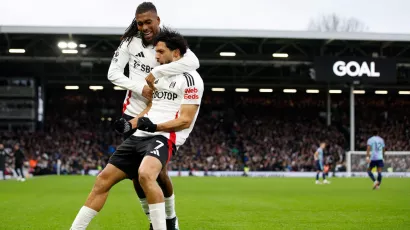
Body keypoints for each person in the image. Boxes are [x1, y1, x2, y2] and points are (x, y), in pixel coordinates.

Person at [71, 27, 203, 230]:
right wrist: (130, 123)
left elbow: (185, 120)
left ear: (176, 53)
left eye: (160, 52)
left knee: (145, 174)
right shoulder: (158, 77)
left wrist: (156, 126)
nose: (155, 56)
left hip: (166, 136)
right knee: (102, 180)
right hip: (142, 133)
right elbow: (152, 107)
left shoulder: (191, 79)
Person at [108, 2, 200, 229]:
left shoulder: (167, 42)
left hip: (160, 111)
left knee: (157, 173)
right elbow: (113, 73)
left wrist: (157, 72)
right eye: (140, 23)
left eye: (149, 22)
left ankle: (170, 218)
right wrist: (141, 88)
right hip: (133, 111)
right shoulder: (130, 42)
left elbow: (194, 62)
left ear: (158, 20)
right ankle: (154, 221)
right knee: (137, 175)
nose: (144, 27)